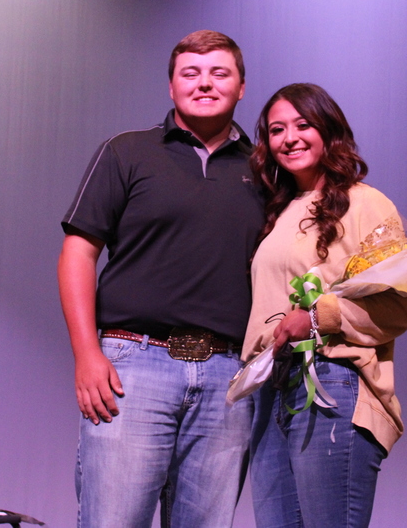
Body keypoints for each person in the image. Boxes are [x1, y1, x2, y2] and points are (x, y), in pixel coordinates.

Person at [57, 30, 264, 528]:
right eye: (190, 73)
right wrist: (87, 354)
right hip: (133, 366)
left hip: (227, 375)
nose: (205, 83)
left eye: (220, 73)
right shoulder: (127, 152)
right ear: (171, 88)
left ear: (240, 87)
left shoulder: (265, 168)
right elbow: (77, 255)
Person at [243, 83, 407, 528]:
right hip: (272, 388)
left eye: (303, 125)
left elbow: (399, 306)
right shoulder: (278, 211)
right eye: (277, 129)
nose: (290, 137)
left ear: (329, 131)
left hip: (331, 383)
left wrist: (320, 315)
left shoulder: (366, 202)